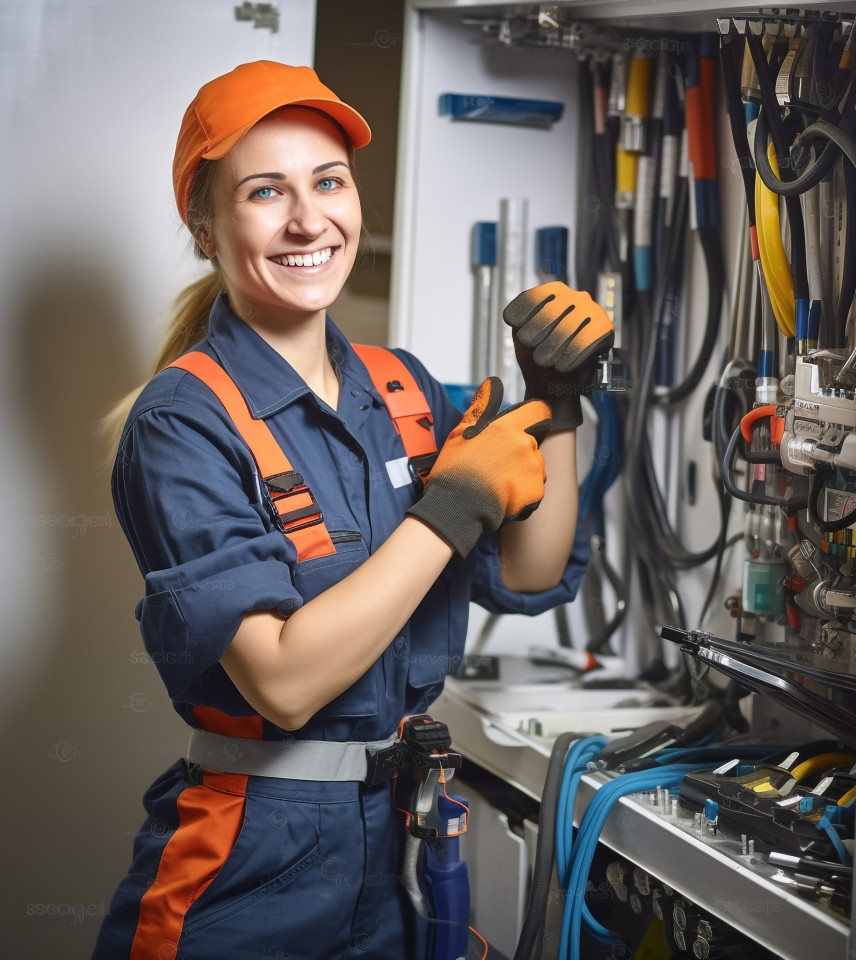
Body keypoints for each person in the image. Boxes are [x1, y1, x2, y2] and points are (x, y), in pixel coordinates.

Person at [93, 60, 613, 960]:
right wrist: (453, 504)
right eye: (266, 192)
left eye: (328, 182)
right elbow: (285, 683)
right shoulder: (180, 422)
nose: (308, 219)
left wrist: (556, 404)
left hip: (396, 843)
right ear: (205, 229)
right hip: (251, 859)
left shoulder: (401, 389)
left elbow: (530, 571)